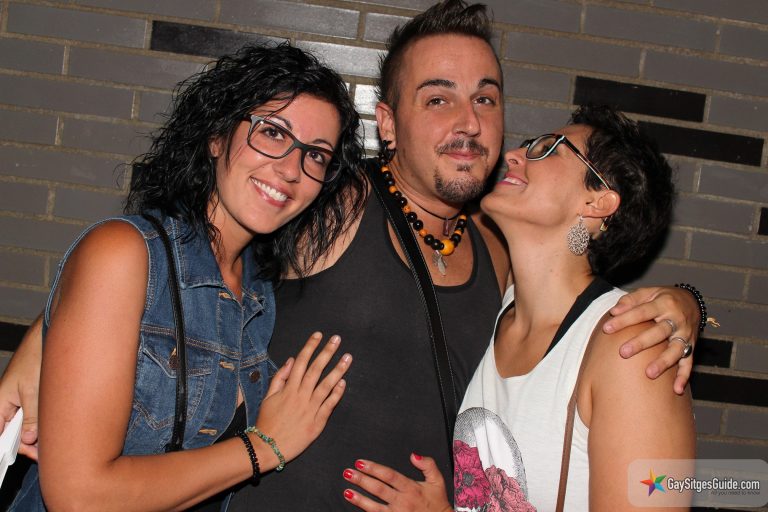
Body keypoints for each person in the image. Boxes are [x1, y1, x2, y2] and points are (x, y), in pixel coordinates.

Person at [1, 1, 703, 509]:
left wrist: (687, 304)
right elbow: (190, 257)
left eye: (486, 100)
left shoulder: (501, 250)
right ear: (388, 125)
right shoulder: (331, 200)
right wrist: (47, 337)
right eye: (438, 99)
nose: (469, 121)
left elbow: (580, 291)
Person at [8, 43, 365, 510]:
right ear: (217, 136)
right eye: (273, 132)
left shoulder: (260, 289)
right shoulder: (124, 252)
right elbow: (80, 497)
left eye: (315, 155)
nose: (291, 169)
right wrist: (265, 446)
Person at [342, 106, 696, 511]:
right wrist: (692, 301)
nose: (512, 155)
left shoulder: (633, 349)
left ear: (598, 201)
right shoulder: (501, 301)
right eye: (528, 145)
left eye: (548, 149)